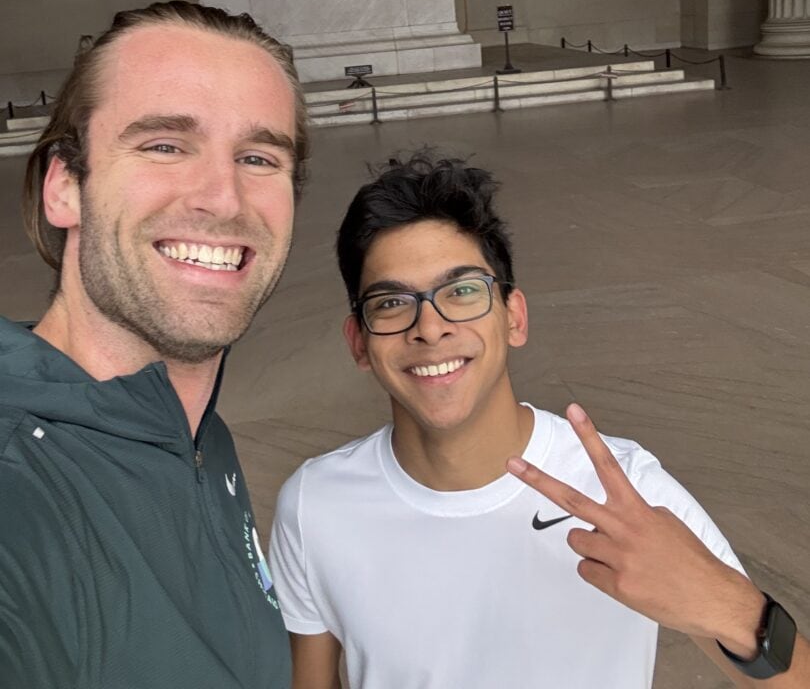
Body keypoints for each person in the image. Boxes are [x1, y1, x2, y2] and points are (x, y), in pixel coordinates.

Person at [269, 152, 809, 688]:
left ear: (515, 318)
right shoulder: (314, 504)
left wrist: (726, 605)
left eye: (462, 292)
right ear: (359, 343)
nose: (429, 328)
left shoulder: (627, 493)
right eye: (391, 303)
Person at [0, 1, 309, 689]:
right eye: (164, 144)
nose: (223, 198)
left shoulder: (200, 439)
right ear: (64, 188)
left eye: (258, 157)